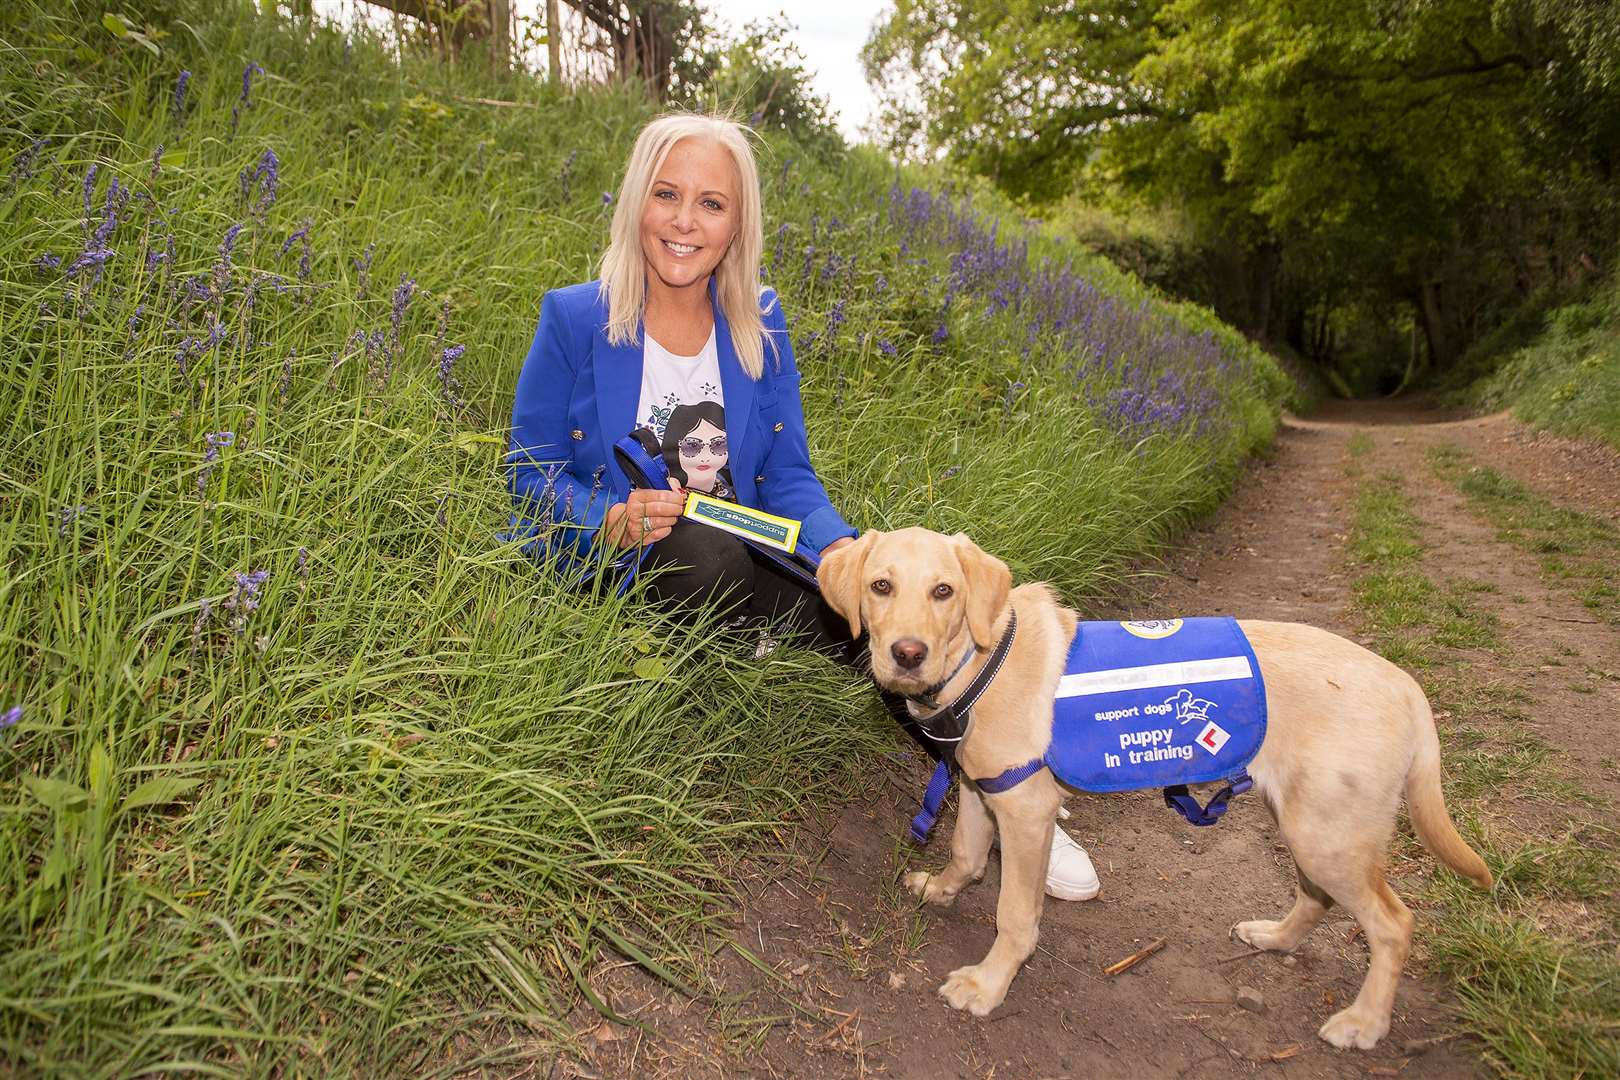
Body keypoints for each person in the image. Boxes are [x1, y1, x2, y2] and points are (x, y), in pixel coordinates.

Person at [504, 113, 1099, 901]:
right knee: (704, 555)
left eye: (712, 204)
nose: (686, 222)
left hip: (745, 551)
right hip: (630, 561)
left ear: (738, 222)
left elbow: (787, 475)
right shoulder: (576, 317)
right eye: (667, 195)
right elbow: (528, 470)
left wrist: (851, 559)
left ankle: (1013, 790)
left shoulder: (759, 320)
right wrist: (605, 519)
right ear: (635, 205)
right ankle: (724, 659)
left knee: (892, 621)